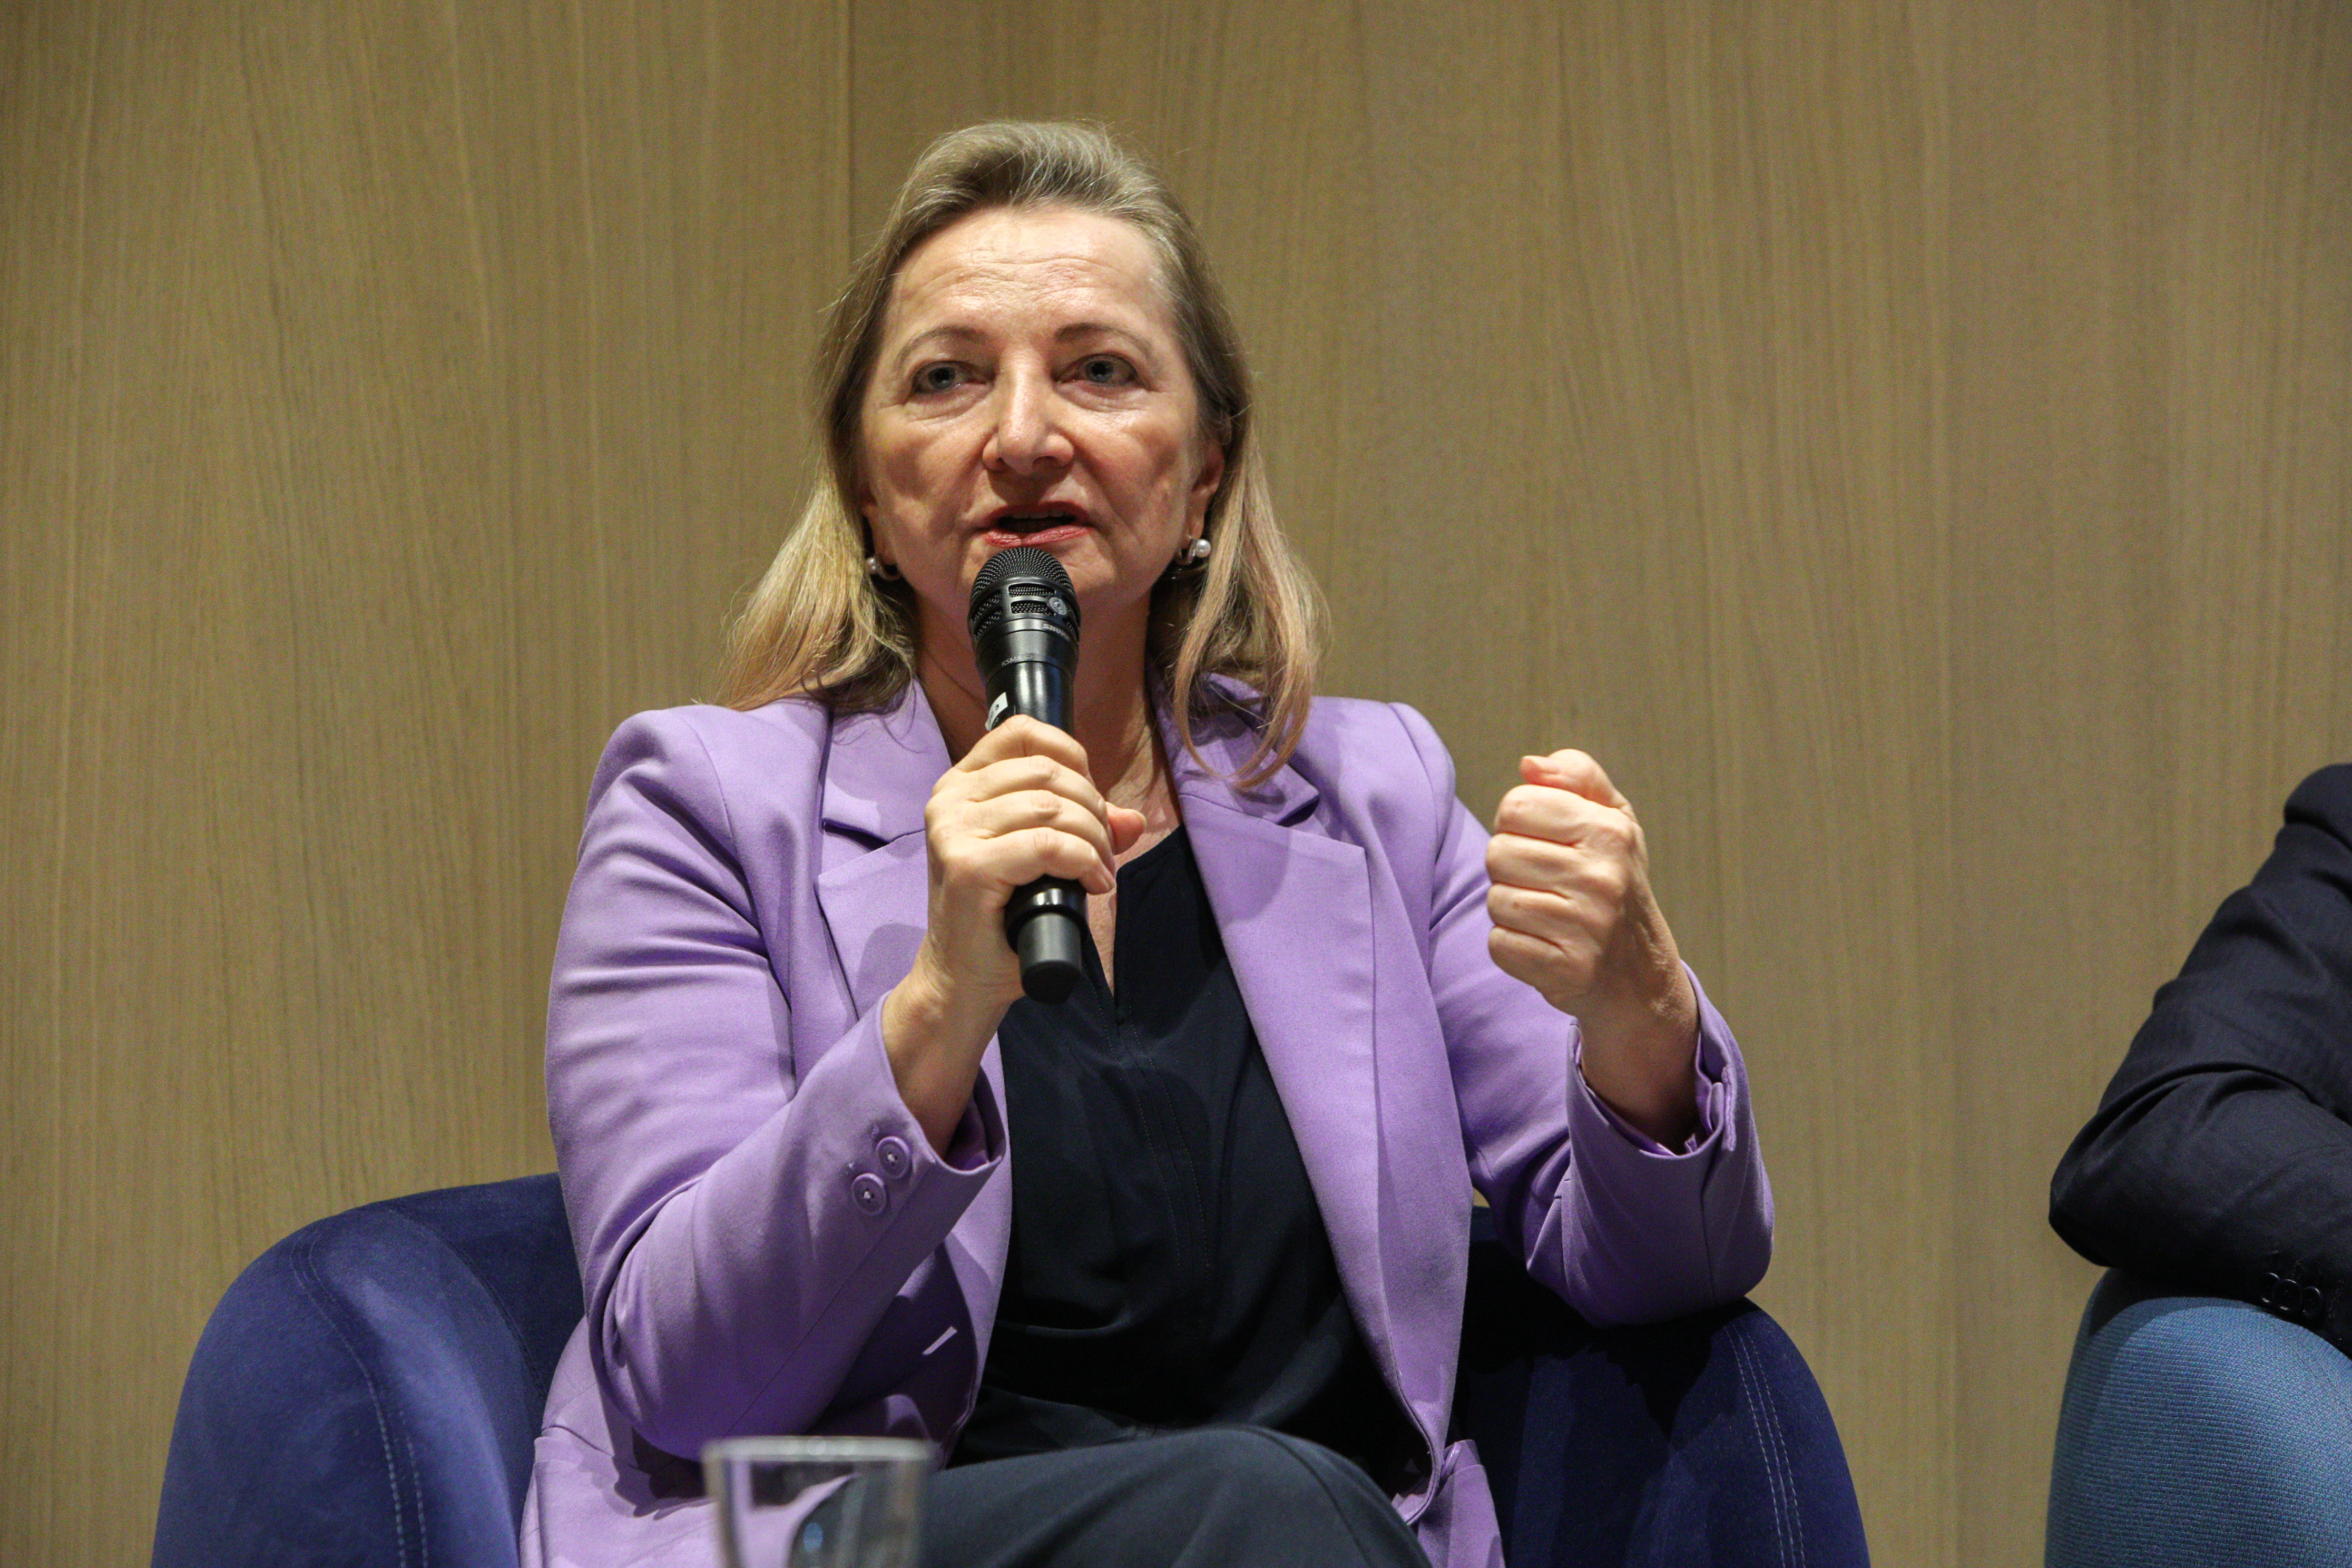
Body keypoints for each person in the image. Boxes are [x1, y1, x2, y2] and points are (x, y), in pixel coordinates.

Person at [521, 121, 1771, 1568]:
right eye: (946, 378)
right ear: (867, 483)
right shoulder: (705, 805)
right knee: (1258, 1501)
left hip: (1309, 1543)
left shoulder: (1372, 793)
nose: (1021, 436)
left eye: (1100, 371)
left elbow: (1672, 1271)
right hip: (868, 1538)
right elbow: (688, 1377)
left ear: (1205, 473)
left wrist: (1638, 1008)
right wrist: (936, 1015)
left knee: (1273, 1505)